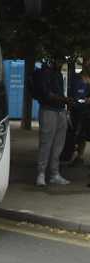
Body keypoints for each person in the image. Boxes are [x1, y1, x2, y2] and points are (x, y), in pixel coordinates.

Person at [36, 51, 75, 186]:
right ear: (53, 60)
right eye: (59, 62)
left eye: (62, 62)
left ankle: (54, 173)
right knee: (46, 143)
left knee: (58, 144)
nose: (61, 64)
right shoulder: (45, 72)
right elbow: (46, 93)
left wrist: (64, 101)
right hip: (48, 110)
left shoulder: (57, 73)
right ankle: (41, 173)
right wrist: (63, 100)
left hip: (59, 111)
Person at [68, 60, 90, 166]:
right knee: (81, 133)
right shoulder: (78, 79)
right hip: (81, 110)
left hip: (84, 110)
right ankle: (80, 156)